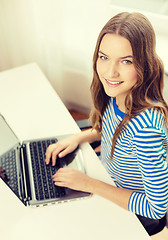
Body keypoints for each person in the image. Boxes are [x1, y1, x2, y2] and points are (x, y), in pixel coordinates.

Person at [45, 12, 168, 235]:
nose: (110, 72)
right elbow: (112, 129)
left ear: (144, 65)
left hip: (132, 208)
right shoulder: (119, 93)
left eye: (126, 61)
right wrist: (78, 137)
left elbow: (156, 208)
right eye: (104, 57)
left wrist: (88, 183)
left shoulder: (146, 130)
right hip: (108, 178)